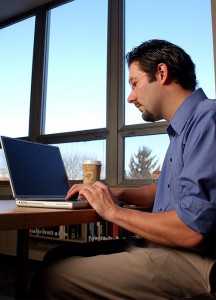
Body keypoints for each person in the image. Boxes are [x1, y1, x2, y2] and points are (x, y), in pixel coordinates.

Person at [28, 39, 216, 299]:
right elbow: (169, 189)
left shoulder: (208, 119)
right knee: (56, 256)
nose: (130, 97)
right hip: (169, 248)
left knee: (52, 277)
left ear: (161, 73)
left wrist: (112, 211)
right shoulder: (182, 129)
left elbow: (193, 230)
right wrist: (118, 193)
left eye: (134, 83)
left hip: (198, 260)